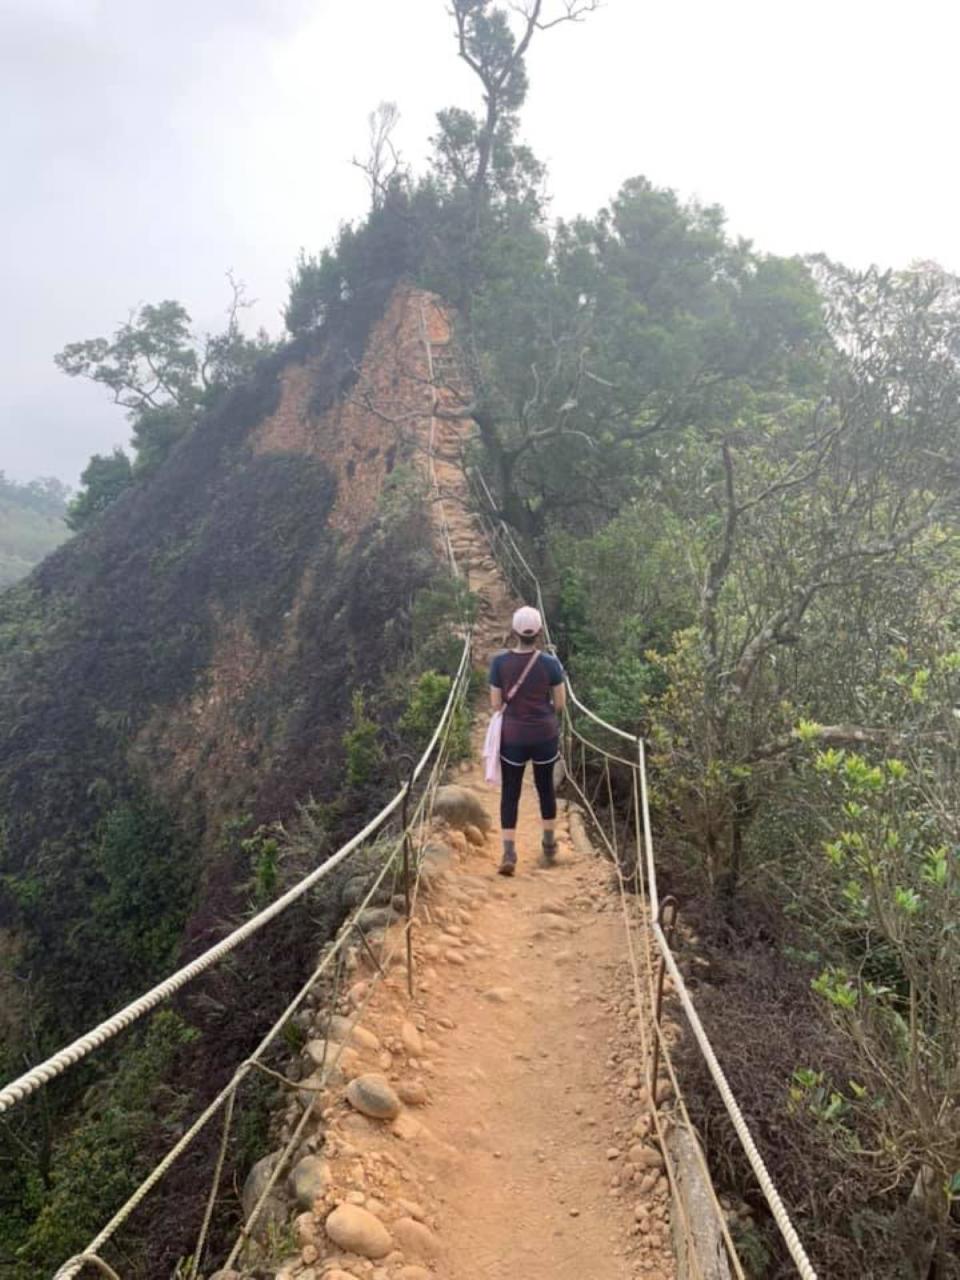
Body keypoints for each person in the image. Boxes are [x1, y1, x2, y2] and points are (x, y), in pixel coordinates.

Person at [488, 605, 567, 876]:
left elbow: (496, 704)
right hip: (544, 735)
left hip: (513, 737)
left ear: (514, 632)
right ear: (540, 633)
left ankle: (509, 852)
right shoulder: (551, 664)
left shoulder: (499, 663)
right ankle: (548, 844)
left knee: (511, 791)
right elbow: (559, 704)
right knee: (545, 788)